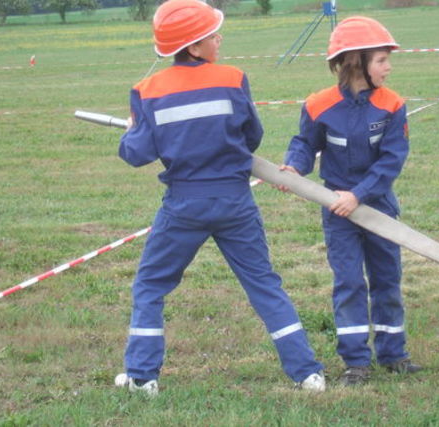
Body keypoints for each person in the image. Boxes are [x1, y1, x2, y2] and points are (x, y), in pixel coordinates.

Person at [115, 0, 325, 396]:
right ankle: (307, 373)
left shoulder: (147, 91)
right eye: (212, 34)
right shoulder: (233, 78)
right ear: (194, 47)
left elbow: (136, 154)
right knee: (264, 284)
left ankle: (142, 377)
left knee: (150, 286)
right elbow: (252, 137)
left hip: (184, 205)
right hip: (235, 200)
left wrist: (132, 128)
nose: (219, 38)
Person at [279, 16, 421, 386]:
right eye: (382, 60)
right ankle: (355, 361)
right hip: (338, 214)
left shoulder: (392, 105)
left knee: (387, 279)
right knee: (349, 283)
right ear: (356, 62)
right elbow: (306, 144)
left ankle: (394, 354)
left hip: (378, 208)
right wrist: (294, 168)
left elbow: (391, 161)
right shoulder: (318, 105)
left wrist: (358, 194)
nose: (389, 68)